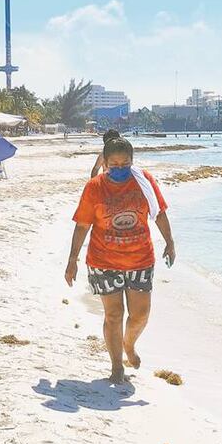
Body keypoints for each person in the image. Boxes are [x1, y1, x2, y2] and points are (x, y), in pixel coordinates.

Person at [66, 137, 175, 384]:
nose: (119, 168)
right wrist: (72, 259)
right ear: (104, 163)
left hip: (140, 259)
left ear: (132, 162)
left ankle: (129, 343)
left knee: (140, 315)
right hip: (103, 259)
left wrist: (170, 242)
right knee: (113, 314)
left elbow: (159, 213)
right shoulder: (94, 187)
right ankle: (117, 367)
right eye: (113, 164)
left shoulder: (144, 181)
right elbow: (82, 225)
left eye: (125, 163)